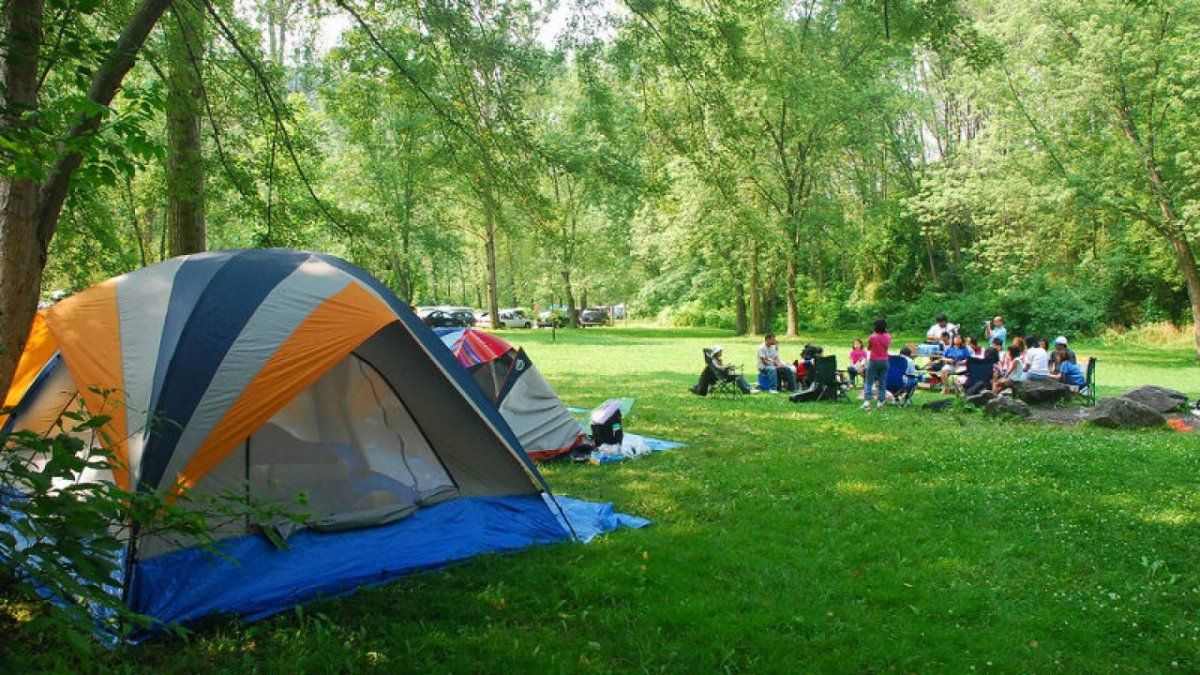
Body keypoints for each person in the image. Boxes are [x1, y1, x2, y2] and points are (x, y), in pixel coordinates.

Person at [861, 318, 891, 410]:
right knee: (882, 382)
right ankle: (880, 402)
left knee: (869, 381)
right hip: (885, 360)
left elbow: (869, 348)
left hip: (874, 360)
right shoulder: (888, 337)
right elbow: (886, 348)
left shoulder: (872, 337)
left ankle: (867, 402)